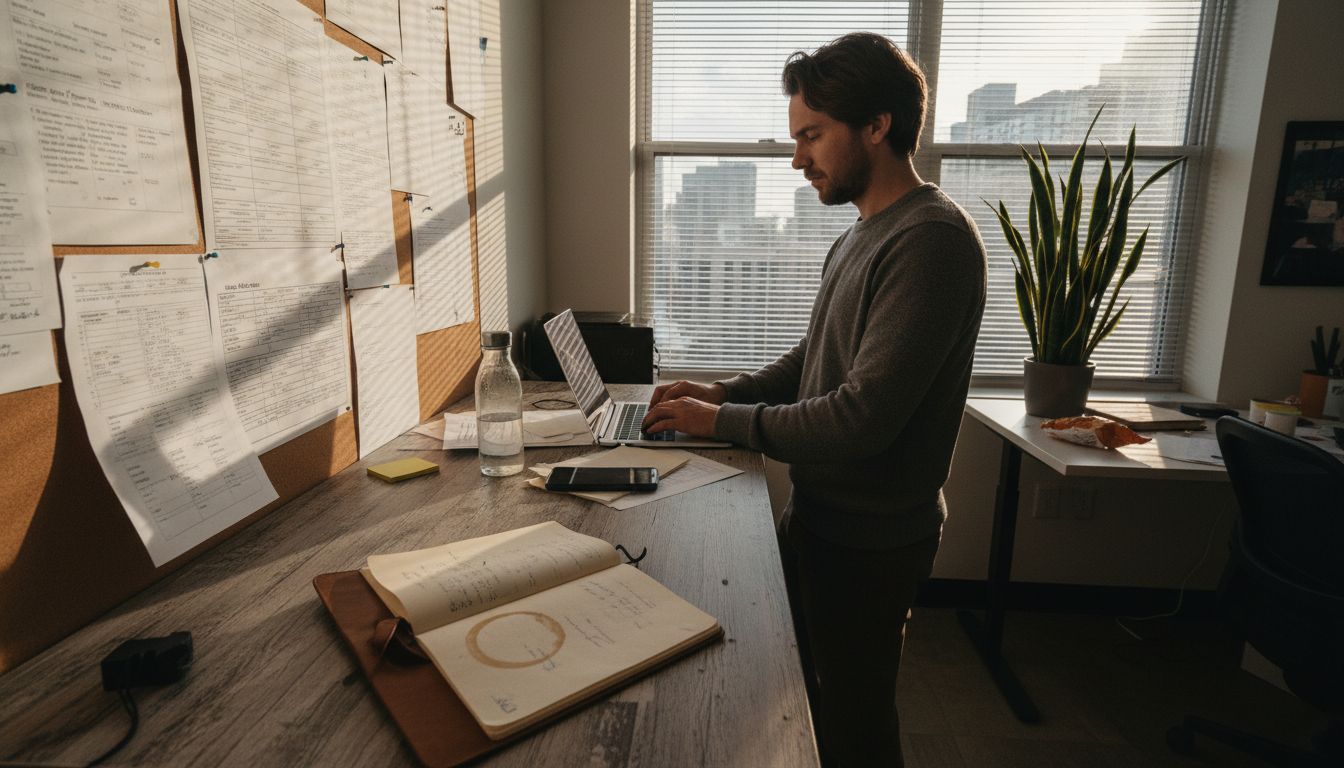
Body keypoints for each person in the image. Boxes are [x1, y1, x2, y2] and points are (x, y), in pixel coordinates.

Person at [641, 32, 987, 767]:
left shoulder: (932, 242)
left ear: (877, 126)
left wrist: (722, 420)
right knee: (806, 702)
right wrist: (722, 392)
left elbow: (861, 417)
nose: (797, 158)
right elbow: (813, 362)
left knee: (856, 721)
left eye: (811, 135)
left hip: (872, 540)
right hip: (824, 518)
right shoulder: (863, 233)